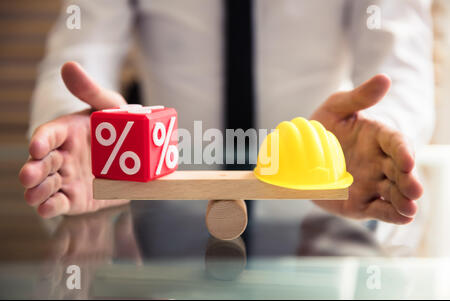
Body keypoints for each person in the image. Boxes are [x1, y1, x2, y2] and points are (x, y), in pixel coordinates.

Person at [19, 1, 433, 231]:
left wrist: (384, 130)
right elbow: (83, 45)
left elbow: (400, 58)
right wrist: (79, 121)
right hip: (162, 219)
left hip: (321, 216)